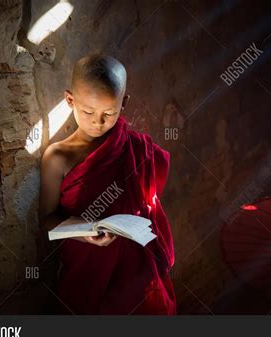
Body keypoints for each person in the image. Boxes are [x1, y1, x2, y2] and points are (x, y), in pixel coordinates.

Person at [38, 53, 176, 314]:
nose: (98, 122)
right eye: (88, 111)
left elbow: (148, 203)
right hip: (88, 268)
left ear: (123, 103)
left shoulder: (134, 147)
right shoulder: (58, 158)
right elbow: (46, 219)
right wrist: (84, 233)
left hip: (137, 270)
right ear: (70, 100)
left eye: (109, 113)